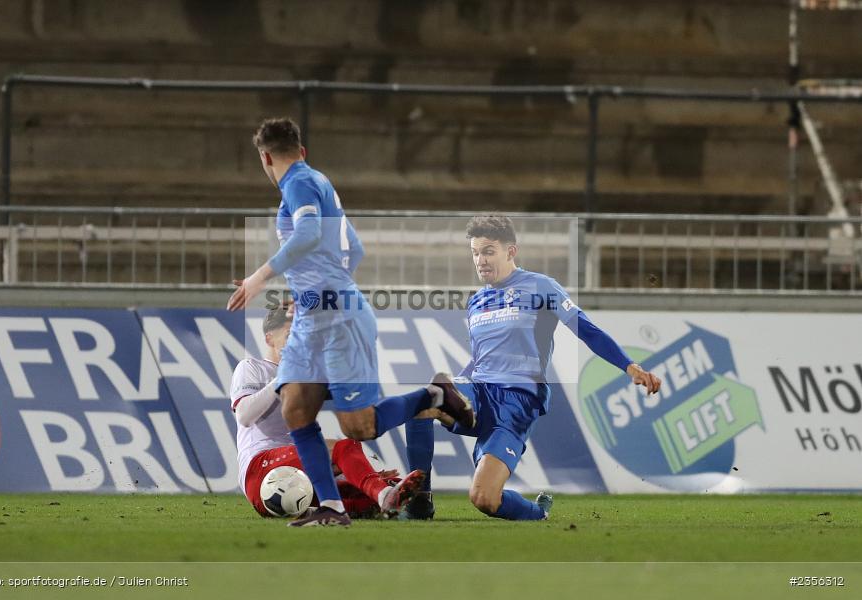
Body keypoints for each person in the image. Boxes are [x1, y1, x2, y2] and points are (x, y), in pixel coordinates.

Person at [227, 118, 474, 527]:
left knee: (360, 427)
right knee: (296, 409)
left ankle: (433, 395)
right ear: (301, 150)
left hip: (335, 314)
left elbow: (306, 235)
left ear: (265, 158)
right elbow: (354, 247)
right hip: (316, 311)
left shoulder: (298, 184)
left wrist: (260, 277)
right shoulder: (316, 181)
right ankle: (333, 506)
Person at [401, 215, 662, 521]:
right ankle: (421, 499)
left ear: (511, 251)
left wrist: (629, 366)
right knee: (423, 402)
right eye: (474, 253)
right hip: (481, 393)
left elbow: (585, 329)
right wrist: (459, 381)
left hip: (517, 402)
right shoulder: (477, 301)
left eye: (488, 251)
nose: (480, 260)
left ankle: (538, 512)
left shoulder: (541, 287)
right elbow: (481, 359)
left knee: (484, 498)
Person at [231, 303, 426, 519]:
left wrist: (363, 474)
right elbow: (244, 415)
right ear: (269, 339)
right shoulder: (252, 367)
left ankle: (373, 497)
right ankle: (383, 495)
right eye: (289, 336)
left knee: (376, 485)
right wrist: (282, 379)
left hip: (297, 477)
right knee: (344, 447)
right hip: (261, 470)